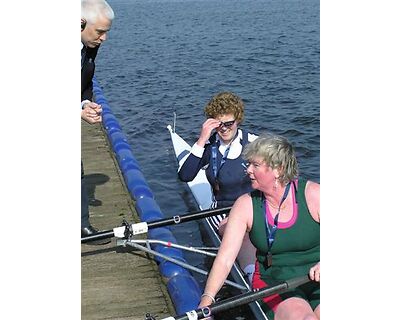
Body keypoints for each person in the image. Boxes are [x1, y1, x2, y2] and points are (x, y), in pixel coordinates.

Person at [198, 133, 320, 320]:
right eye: (249, 164)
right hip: (274, 281)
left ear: (278, 170)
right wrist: (206, 302)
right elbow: (225, 259)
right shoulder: (245, 205)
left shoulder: (314, 195)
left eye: (255, 165)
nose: (247, 170)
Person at [178, 91, 258, 282]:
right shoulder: (209, 147)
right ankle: (251, 276)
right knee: (240, 233)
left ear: (238, 120)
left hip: (253, 206)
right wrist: (202, 138)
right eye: (218, 124)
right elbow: (185, 175)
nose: (224, 129)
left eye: (229, 124)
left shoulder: (254, 143)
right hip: (222, 211)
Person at [81, 0, 114, 240]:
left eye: (106, 32)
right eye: (100, 32)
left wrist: (85, 103)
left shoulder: (89, 45)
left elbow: (84, 79)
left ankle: (81, 225)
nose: (103, 39)